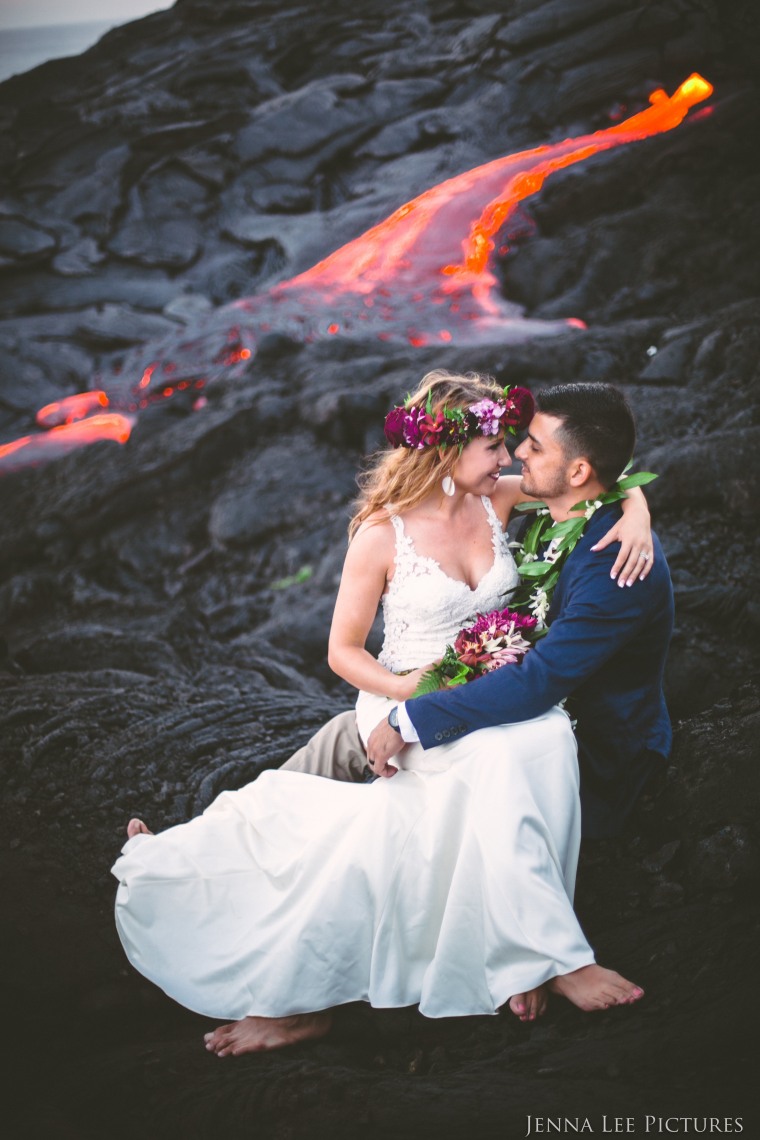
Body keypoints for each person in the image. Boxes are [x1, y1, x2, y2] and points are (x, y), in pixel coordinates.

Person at [113, 372, 656, 1058]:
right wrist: (405, 692)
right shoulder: (381, 536)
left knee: (536, 743)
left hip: (478, 685)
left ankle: (521, 952)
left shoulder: (499, 500)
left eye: (510, 446)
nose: (509, 457)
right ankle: (533, 959)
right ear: (445, 453)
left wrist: (635, 509)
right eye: (493, 446)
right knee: (484, 766)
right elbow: (342, 651)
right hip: (402, 691)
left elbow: (595, 480)